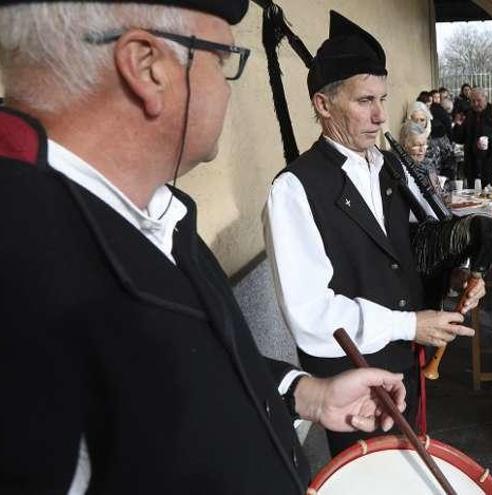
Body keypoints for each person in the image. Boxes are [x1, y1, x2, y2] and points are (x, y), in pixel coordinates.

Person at [0, 2, 407, 494]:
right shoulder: (26, 271)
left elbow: (182, 383)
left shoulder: (158, 211)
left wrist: (305, 393)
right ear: (147, 68)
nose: (226, 85)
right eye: (221, 57)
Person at [264, 11, 488, 457]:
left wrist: (451, 278)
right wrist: (409, 324)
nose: (381, 116)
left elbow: (402, 253)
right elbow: (311, 316)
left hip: (406, 362)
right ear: (323, 105)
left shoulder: (386, 167)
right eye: (365, 100)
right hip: (351, 384)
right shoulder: (294, 190)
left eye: (383, 99)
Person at [451, 86, 492, 187]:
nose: (475, 104)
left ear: (486, 98)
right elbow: (459, 139)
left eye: (478, 100)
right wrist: (458, 125)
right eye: (472, 101)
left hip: (488, 165)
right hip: (471, 164)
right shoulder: (468, 114)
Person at [399, 120, 437, 190]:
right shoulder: (400, 169)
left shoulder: (427, 163)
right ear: (404, 145)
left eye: (424, 144)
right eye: (417, 145)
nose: (422, 150)